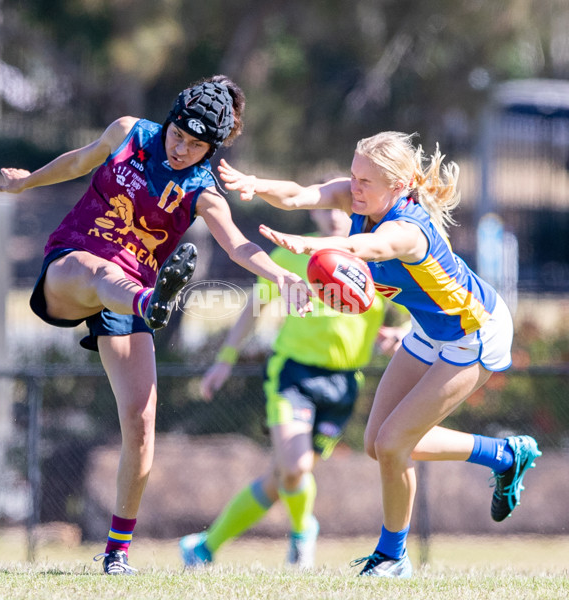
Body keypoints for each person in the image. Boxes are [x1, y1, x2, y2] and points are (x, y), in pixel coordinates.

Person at [0, 75, 312, 576]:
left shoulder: (203, 192)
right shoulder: (128, 133)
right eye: (177, 135)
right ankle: (150, 300)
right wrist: (25, 181)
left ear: (213, 147)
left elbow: (236, 245)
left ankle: (116, 553)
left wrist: (282, 274)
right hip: (72, 267)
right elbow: (78, 162)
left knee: (142, 427)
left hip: (131, 298)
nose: (182, 147)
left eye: (196, 144)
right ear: (168, 120)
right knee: (99, 272)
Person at [214, 131, 541, 578]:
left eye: (366, 180)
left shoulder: (407, 230)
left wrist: (308, 246)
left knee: (392, 444)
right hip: (430, 331)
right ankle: (504, 455)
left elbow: (363, 249)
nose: (355, 187)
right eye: (353, 175)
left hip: (473, 332)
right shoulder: (359, 200)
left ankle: (392, 558)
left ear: (399, 185)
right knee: (376, 445)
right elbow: (300, 195)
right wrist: (256, 183)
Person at [179, 206, 409, 569]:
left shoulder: (375, 262)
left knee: (282, 478)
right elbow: (255, 307)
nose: (336, 215)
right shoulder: (289, 256)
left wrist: (400, 334)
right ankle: (303, 535)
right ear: (314, 213)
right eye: (327, 207)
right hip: (294, 374)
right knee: (296, 468)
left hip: (345, 381)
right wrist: (225, 358)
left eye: (347, 206)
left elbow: (417, 312)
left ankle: (203, 548)